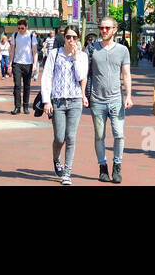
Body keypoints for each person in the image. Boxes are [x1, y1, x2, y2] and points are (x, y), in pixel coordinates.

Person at [42, 25, 89, 184]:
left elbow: (81, 76)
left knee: (71, 136)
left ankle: (67, 172)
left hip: (75, 100)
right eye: (68, 37)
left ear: (78, 39)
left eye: (74, 37)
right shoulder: (55, 54)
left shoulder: (82, 56)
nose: (71, 40)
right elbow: (47, 77)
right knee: (59, 137)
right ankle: (56, 159)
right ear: (63, 37)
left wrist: (75, 57)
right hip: (58, 101)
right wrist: (46, 100)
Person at [88, 17, 132, 183]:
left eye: (107, 28)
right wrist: (84, 95)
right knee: (99, 136)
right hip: (97, 100)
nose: (104, 30)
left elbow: (126, 74)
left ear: (114, 29)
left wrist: (128, 95)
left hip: (116, 100)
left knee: (119, 135)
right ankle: (102, 167)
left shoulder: (122, 50)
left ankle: (117, 166)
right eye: (102, 27)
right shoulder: (92, 48)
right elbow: (85, 73)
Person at [9, 19, 39, 115]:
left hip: (28, 64)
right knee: (17, 86)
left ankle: (25, 106)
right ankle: (17, 107)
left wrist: (34, 64)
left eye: (22, 28)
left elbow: (34, 51)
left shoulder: (31, 36)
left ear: (26, 27)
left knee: (27, 86)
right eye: (19, 28)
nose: (20, 30)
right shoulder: (15, 35)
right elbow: (12, 50)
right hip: (17, 63)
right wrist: (9, 64)